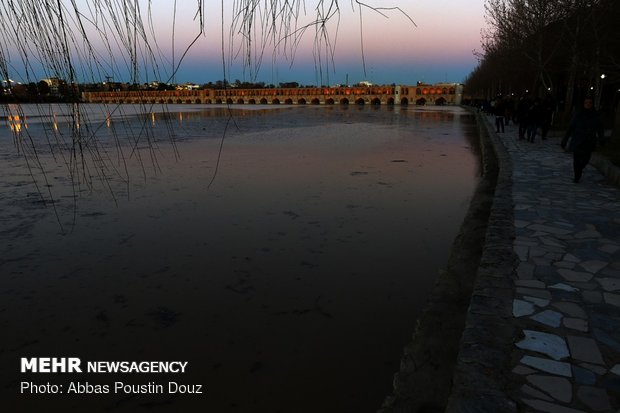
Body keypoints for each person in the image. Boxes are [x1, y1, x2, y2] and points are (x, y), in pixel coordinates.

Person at [561, 97, 605, 183]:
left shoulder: (596, 115)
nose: (588, 104)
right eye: (586, 103)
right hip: (578, 139)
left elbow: (600, 129)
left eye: (589, 103)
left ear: (592, 104)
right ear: (583, 104)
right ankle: (577, 176)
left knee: (586, 159)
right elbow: (571, 127)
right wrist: (565, 140)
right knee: (576, 159)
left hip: (589, 140)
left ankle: (579, 168)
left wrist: (601, 139)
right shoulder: (578, 114)